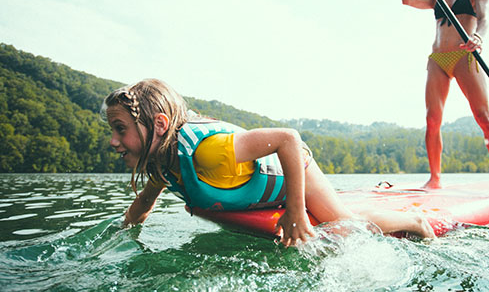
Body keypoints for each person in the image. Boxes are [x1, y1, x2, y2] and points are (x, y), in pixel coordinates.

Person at [102, 78, 435, 246]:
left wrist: (294, 210)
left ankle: (415, 221)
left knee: (342, 225)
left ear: (159, 125)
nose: (114, 141)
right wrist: (121, 235)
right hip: (254, 190)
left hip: (293, 170)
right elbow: (144, 201)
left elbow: (288, 138)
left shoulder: (210, 152)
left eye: (120, 129)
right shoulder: (164, 163)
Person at [398, 0, 489, 194]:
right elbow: (407, 0)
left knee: (483, 116)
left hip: (464, 55)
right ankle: (435, 178)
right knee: (432, 119)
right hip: (437, 59)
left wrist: (479, 37)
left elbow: (485, 18)